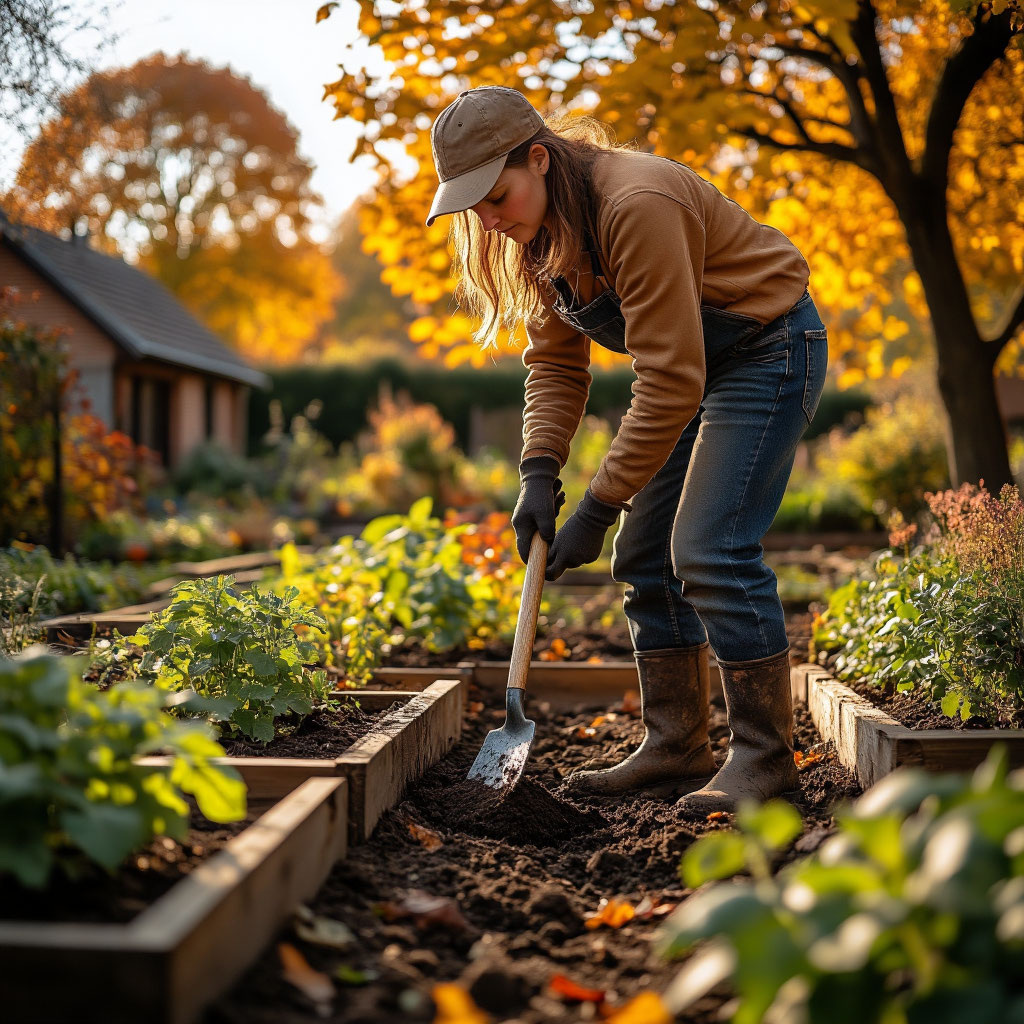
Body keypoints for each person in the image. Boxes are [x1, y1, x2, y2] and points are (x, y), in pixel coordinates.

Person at [425, 85, 827, 814]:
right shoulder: (539, 234)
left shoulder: (636, 204)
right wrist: (539, 470)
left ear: (539, 159)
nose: (486, 219)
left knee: (710, 549)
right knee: (644, 557)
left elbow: (670, 379)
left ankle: (766, 762)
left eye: (495, 196)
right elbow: (554, 363)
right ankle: (677, 746)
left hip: (768, 348)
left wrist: (599, 503)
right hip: (700, 366)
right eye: (472, 206)